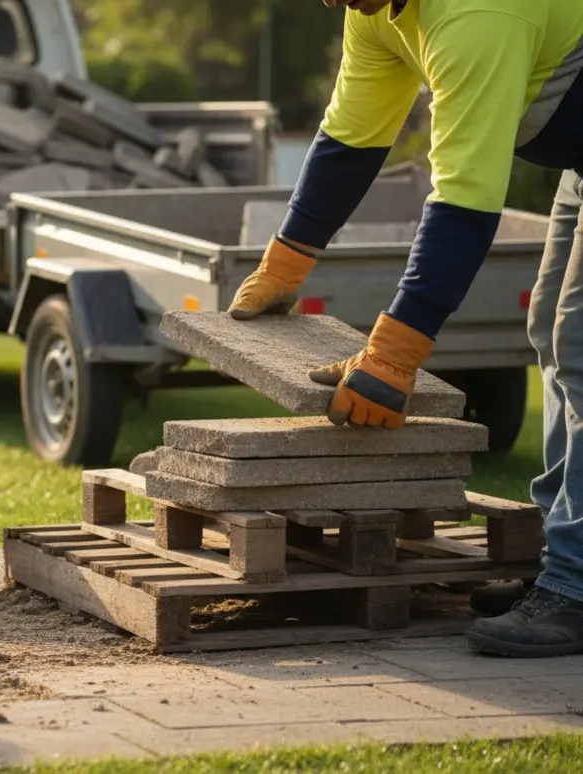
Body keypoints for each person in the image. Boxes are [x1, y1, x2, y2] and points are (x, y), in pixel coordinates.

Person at [228, 0, 583, 657]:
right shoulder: (375, 11)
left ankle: (577, 588)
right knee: (552, 337)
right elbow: (351, 141)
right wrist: (284, 264)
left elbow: (466, 200)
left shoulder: (477, 13)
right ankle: (558, 559)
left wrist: (393, 355)